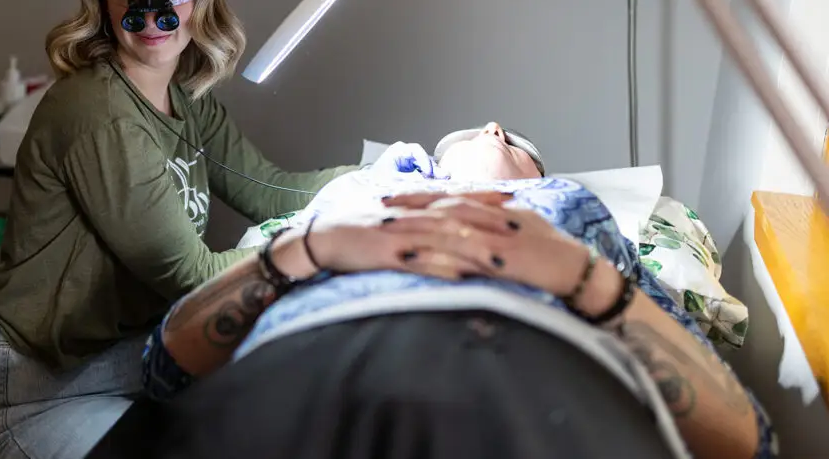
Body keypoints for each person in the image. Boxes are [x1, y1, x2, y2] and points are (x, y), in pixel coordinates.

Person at [0, 0, 440, 459]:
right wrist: (326, 242)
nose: (152, 11)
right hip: (37, 395)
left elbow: (273, 191)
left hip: (125, 360)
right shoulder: (99, 115)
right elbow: (193, 278)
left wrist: (397, 176)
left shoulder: (185, 100)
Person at [133, 122, 776, 459]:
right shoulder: (351, 200)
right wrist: (307, 250)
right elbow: (164, 371)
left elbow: (751, 445)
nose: (494, 131)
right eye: (478, 132)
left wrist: (589, 281)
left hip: (539, 375)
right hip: (306, 365)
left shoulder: (571, 208)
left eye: (519, 146)